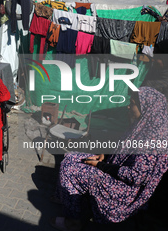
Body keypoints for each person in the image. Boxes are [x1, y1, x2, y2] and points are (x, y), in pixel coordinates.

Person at [50, 87, 168, 231]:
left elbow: (136, 177)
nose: (128, 107)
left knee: (71, 169)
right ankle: (66, 198)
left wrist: (100, 166)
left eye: (132, 103)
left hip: (125, 189)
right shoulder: (143, 125)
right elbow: (123, 149)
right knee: (70, 156)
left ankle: (73, 222)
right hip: (115, 170)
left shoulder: (153, 139)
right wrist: (105, 156)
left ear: (146, 107)